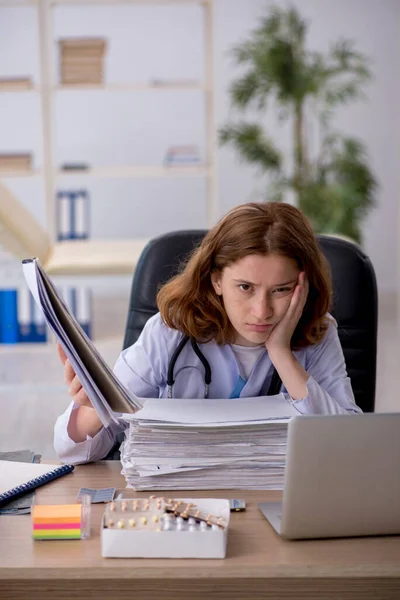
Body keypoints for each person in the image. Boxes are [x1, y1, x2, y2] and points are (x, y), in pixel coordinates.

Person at [54, 202, 361, 464]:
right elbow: (72, 449)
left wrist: (281, 354)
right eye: (245, 287)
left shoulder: (318, 335)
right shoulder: (169, 332)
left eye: (281, 290)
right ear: (216, 281)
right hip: (181, 505)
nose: (262, 310)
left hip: (274, 504)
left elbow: (351, 446)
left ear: (302, 287)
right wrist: (94, 407)